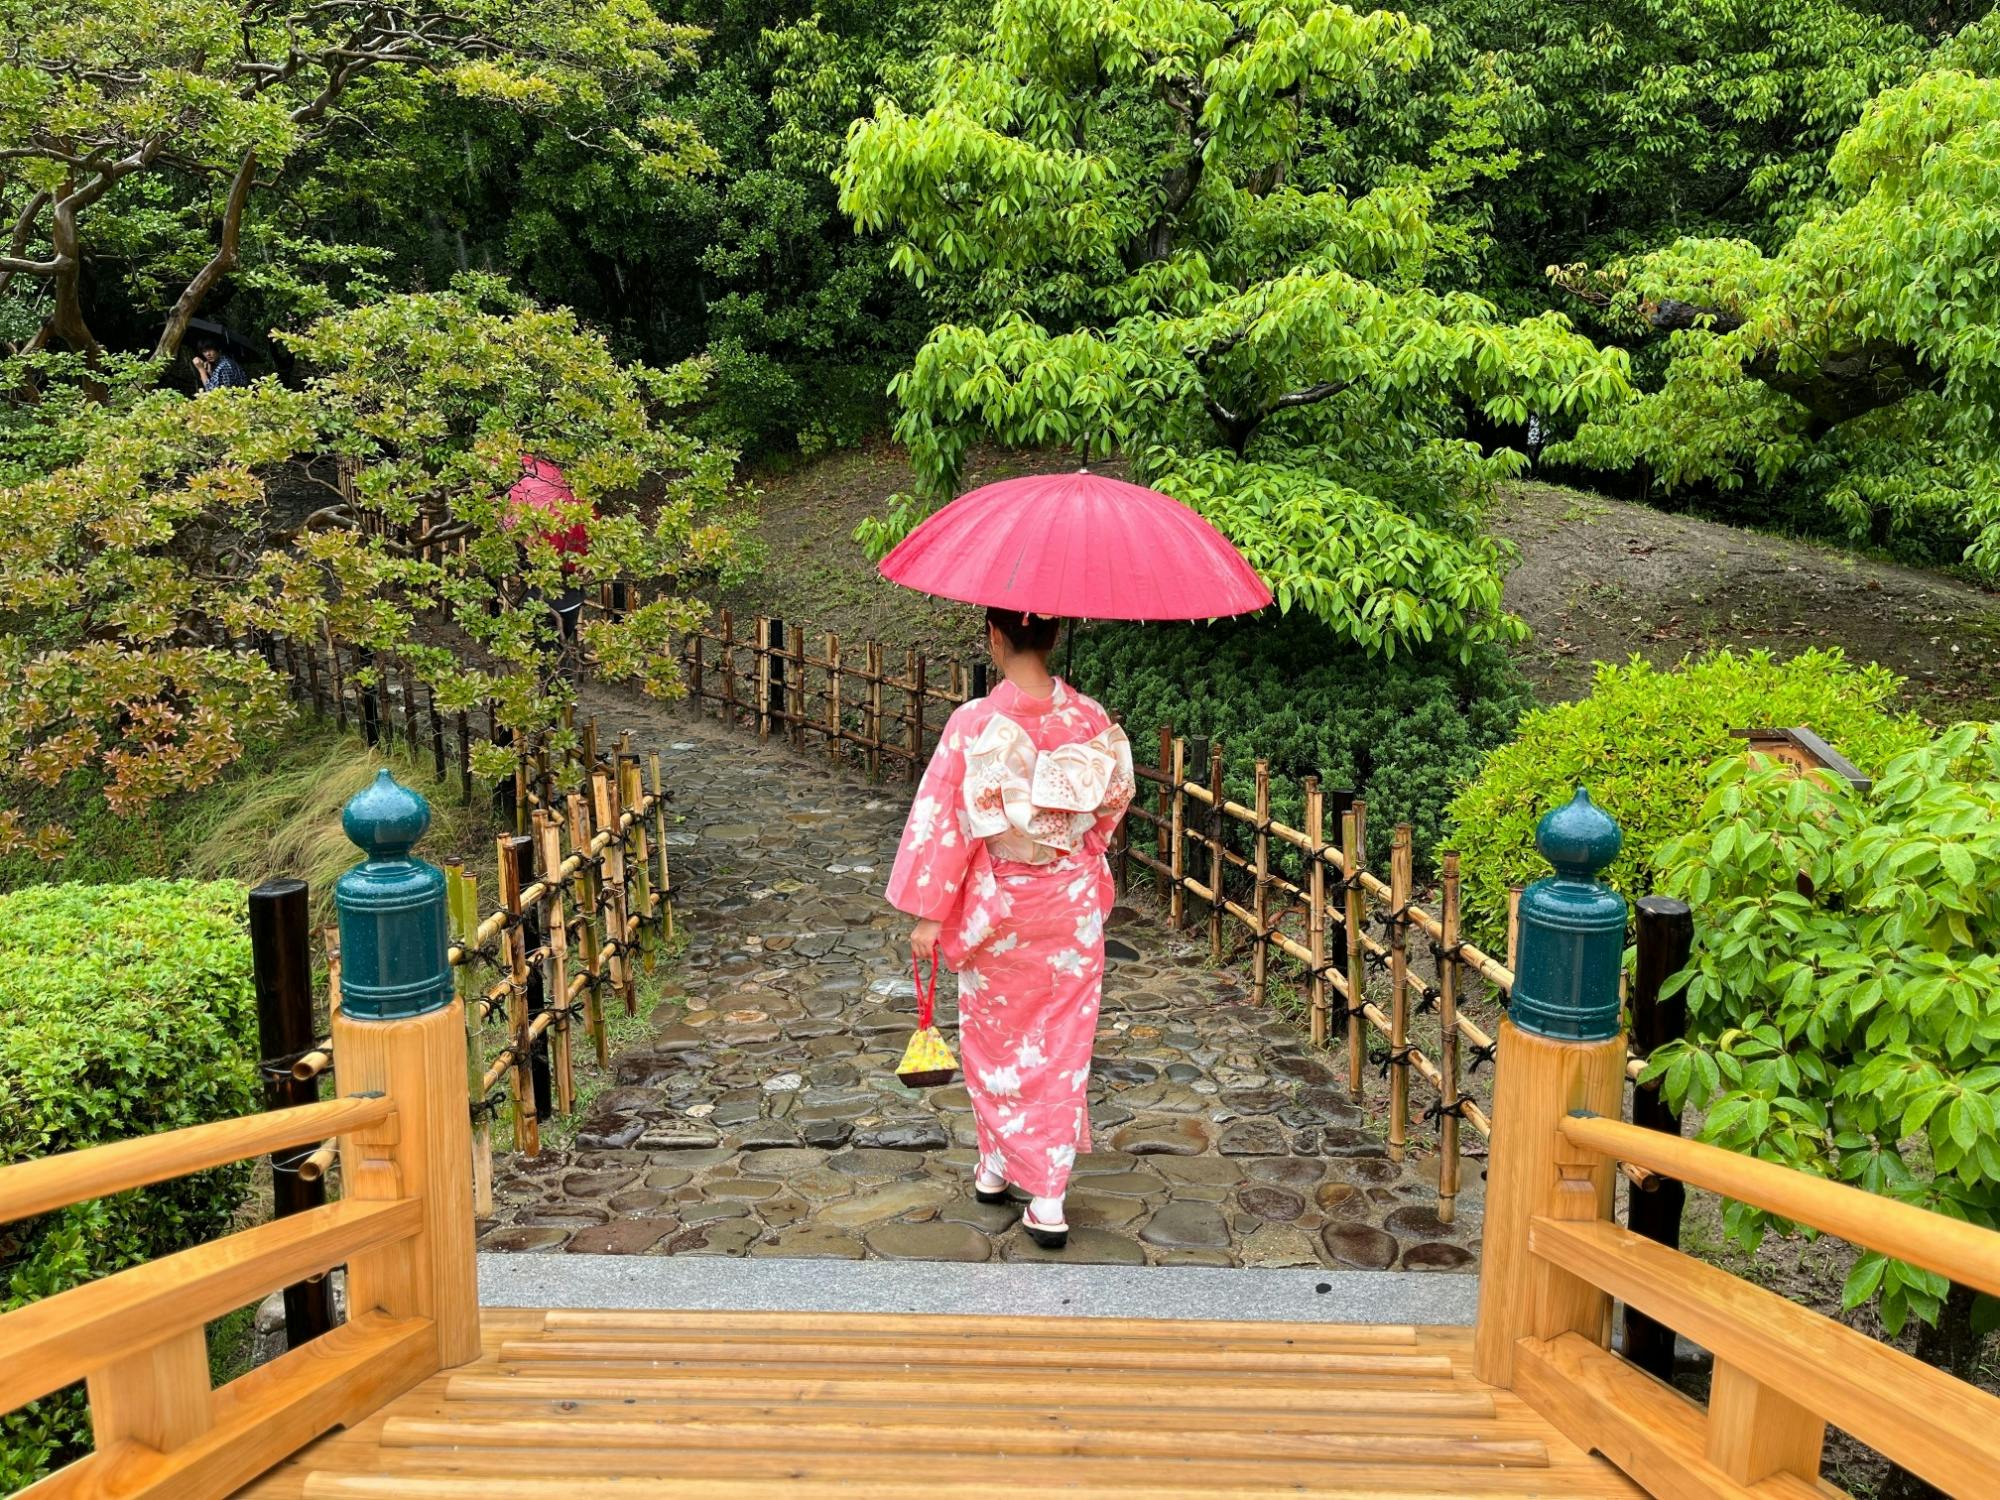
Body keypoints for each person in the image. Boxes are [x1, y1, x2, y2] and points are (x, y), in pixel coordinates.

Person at [885, 608, 1135, 1249]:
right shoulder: (1091, 719)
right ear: (1054, 637)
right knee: (1060, 1043)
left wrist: (930, 912)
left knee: (996, 1042)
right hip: (1070, 905)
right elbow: (1109, 810)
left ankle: (1021, 1177)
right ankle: (1024, 1179)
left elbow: (946, 820)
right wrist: (1068, 847)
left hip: (1000, 912)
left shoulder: (974, 723)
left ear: (995, 637)